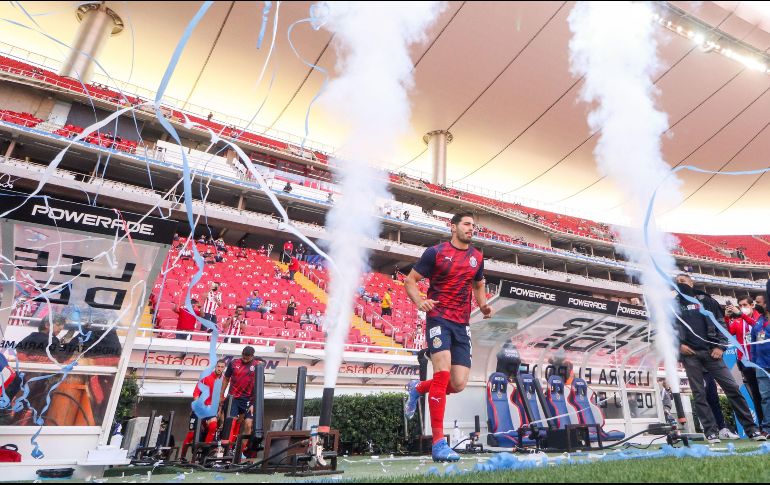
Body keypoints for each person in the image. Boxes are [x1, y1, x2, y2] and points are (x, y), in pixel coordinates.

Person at [403, 212, 493, 462]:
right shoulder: (435, 253)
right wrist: (420, 301)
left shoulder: (477, 257)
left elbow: (478, 284)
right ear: (453, 227)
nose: (471, 228)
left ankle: (418, 388)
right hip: (439, 319)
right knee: (442, 375)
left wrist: (483, 305)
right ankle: (438, 443)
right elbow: (410, 281)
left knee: (458, 384)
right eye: (466, 224)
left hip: (462, 324)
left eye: (473, 225)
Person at [674, 274, 765, 444]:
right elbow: (668, 329)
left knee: (733, 389)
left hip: (712, 352)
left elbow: (721, 324)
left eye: (683, 281)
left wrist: (720, 347)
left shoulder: (707, 301)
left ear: (691, 283)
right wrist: (678, 345)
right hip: (690, 355)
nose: (681, 284)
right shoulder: (673, 305)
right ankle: (711, 432)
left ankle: (752, 429)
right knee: (699, 394)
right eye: (678, 282)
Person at [725, 297, 763, 429]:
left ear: (752, 305)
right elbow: (728, 333)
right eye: (740, 306)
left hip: (761, 362)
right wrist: (727, 318)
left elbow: (758, 328)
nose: (742, 308)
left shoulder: (760, 318)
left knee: (766, 394)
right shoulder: (738, 321)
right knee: (756, 395)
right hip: (746, 363)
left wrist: (742, 315)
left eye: (745, 305)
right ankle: (763, 426)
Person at [181, 359, 227, 459]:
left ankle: (204, 455)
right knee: (191, 435)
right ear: (215, 367)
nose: (219, 369)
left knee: (213, 426)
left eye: (222, 367)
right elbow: (196, 393)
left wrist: (220, 410)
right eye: (218, 366)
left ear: (224, 368)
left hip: (211, 410)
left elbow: (220, 398)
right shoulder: (206, 377)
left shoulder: (224, 380)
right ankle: (182, 457)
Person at [221, 347, 264, 452]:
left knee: (248, 424)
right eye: (243, 355)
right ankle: (227, 449)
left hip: (248, 399)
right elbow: (226, 378)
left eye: (247, 356)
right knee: (231, 422)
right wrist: (221, 394)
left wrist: (254, 404)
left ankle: (241, 451)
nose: (245, 358)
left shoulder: (257, 366)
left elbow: (259, 387)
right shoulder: (234, 363)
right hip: (233, 398)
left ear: (252, 356)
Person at [751, 302, 770, 435]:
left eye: (761, 302)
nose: (758, 304)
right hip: (762, 365)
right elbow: (753, 343)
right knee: (765, 398)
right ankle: (767, 428)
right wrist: (754, 362)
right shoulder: (758, 322)